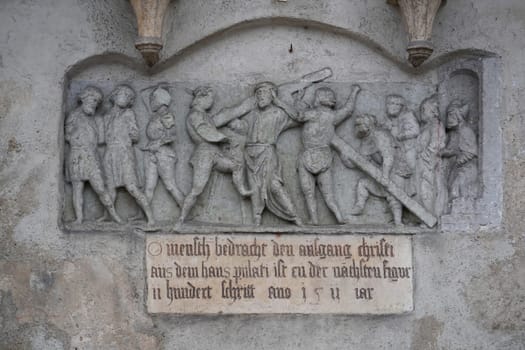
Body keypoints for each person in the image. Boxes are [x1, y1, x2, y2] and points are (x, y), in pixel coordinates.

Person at [178, 86, 252, 224]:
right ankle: (181, 219)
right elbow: (204, 131)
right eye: (210, 99)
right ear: (201, 98)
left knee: (236, 166)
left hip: (215, 153)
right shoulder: (195, 115)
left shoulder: (205, 115)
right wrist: (223, 138)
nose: (211, 102)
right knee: (197, 189)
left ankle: (241, 189)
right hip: (204, 154)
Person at [293, 85, 361, 224]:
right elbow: (348, 110)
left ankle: (314, 219)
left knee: (308, 192)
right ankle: (338, 217)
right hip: (324, 156)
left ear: (318, 99)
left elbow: (298, 115)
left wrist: (297, 101)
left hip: (307, 155)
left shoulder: (311, 114)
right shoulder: (333, 116)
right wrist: (354, 92)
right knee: (328, 194)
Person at [65, 86, 122, 224]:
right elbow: (67, 135)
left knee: (101, 188)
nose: (94, 105)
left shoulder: (95, 119)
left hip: (91, 157)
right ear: (83, 100)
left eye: (96, 103)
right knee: (77, 189)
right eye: (92, 102)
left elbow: (101, 140)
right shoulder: (74, 116)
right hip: (77, 156)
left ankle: (114, 216)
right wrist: (78, 141)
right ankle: (79, 218)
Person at [102, 84, 155, 224]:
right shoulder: (107, 116)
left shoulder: (128, 113)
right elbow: (103, 138)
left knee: (132, 187)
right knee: (110, 187)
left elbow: (135, 136)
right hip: (110, 153)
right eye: (123, 94)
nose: (125, 98)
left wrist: (128, 134)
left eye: (128, 97)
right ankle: (107, 215)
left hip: (124, 152)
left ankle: (150, 218)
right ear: (115, 95)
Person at [347, 114, 404, 226]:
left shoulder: (380, 135)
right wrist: (345, 159)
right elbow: (361, 162)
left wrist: (385, 176)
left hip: (394, 171)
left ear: (368, 125)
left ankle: (398, 221)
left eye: (359, 125)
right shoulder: (365, 140)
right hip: (379, 172)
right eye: (356, 125)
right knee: (363, 183)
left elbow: (388, 157)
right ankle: (359, 206)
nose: (357, 128)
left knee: (392, 194)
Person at [143, 87, 185, 207]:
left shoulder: (167, 116)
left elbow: (172, 136)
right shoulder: (154, 116)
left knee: (170, 186)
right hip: (151, 153)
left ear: (159, 100)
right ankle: (146, 215)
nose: (150, 101)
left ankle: (185, 210)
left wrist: (158, 143)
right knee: (149, 186)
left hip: (164, 154)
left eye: (152, 98)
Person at [441, 99, 478, 200]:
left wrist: (458, 162)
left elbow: (471, 152)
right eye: (448, 115)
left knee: (455, 190)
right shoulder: (452, 134)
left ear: (459, 117)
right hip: (455, 168)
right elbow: (452, 149)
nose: (448, 119)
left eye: (451, 115)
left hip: (466, 168)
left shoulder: (466, 131)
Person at [415, 94, 446, 215]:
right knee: (421, 189)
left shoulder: (436, 125)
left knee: (426, 188)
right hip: (422, 163)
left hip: (429, 163)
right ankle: (425, 216)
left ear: (432, 111)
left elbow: (437, 143)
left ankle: (431, 216)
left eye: (424, 109)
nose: (421, 112)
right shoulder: (425, 126)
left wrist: (427, 155)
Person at [384, 94, 420, 197]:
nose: (394, 106)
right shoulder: (389, 120)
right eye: (391, 103)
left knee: (409, 167)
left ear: (402, 107)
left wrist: (402, 135)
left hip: (408, 148)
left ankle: (410, 190)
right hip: (396, 149)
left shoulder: (408, 115)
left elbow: (415, 130)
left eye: (397, 104)